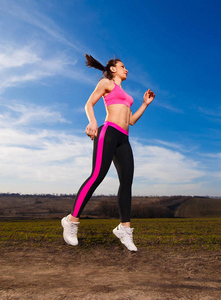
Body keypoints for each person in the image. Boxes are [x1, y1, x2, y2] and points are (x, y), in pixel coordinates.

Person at [61, 54, 155, 252]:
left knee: (127, 182)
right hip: (108, 132)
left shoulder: (127, 96)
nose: (126, 69)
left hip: (124, 138)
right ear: (113, 69)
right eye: (122, 66)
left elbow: (131, 121)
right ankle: (71, 220)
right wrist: (93, 122)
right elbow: (89, 104)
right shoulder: (106, 84)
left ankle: (124, 229)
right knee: (97, 175)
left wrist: (145, 104)